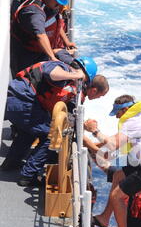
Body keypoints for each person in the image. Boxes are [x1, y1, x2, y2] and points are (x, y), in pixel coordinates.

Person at [2, 57, 107, 186]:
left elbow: (70, 115)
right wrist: (74, 74)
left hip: (24, 103)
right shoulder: (62, 68)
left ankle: (12, 163)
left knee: (29, 131)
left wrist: (83, 125)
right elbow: (50, 73)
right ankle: (28, 176)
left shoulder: (72, 87)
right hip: (22, 100)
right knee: (50, 135)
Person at [84, 94, 141, 227]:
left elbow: (111, 145)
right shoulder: (139, 121)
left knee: (117, 196)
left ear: (124, 110)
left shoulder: (132, 123)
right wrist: (92, 145)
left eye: (117, 113)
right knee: (118, 176)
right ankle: (105, 218)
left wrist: (94, 131)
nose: (117, 117)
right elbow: (111, 147)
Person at [11, 0, 75, 77]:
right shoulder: (34, 12)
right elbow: (40, 35)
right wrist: (52, 58)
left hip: (42, 51)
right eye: (57, 2)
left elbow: (56, 22)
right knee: (26, 79)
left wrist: (67, 41)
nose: (59, 5)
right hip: (26, 54)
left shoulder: (51, 5)